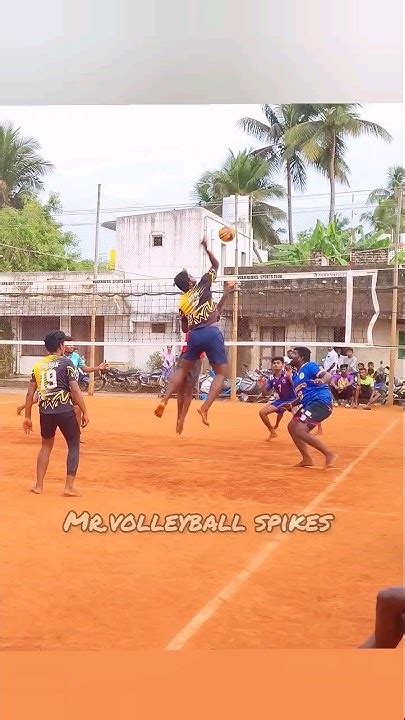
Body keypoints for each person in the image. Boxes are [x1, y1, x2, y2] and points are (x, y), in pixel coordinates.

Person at [155, 238, 228, 426]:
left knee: (182, 370)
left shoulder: (183, 303)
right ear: (189, 282)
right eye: (190, 276)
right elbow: (216, 264)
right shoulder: (203, 284)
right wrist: (206, 248)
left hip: (194, 337)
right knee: (220, 373)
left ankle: (164, 399)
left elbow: (185, 328)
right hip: (211, 333)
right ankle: (204, 408)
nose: (193, 276)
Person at [23, 330, 89, 496]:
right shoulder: (66, 363)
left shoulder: (37, 366)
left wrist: (27, 417)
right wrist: (84, 411)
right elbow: (75, 390)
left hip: (45, 412)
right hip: (65, 410)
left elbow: (30, 394)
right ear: (61, 345)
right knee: (73, 445)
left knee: (45, 446)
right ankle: (69, 487)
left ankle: (38, 485)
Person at [175, 283, 234, 435]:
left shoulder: (188, 304)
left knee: (184, 390)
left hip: (189, 353)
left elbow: (217, 312)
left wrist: (226, 293)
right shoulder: (191, 304)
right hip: (193, 354)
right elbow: (186, 327)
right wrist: (226, 292)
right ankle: (181, 417)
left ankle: (180, 418)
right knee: (186, 390)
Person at [288, 347, 336, 468]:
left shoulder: (310, 366)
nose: (290, 355)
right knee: (292, 427)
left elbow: (327, 376)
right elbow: (302, 396)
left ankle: (329, 454)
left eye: (294, 354)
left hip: (321, 402)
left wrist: (322, 380)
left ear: (301, 358)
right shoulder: (295, 376)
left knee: (300, 430)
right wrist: (291, 404)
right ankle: (306, 458)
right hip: (309, 403)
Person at [64, 337, 105, 442]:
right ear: (62, 345)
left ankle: (76, 436)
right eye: (69, 344)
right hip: (61, 388)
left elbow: (84, 368)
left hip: (73, 388)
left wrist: (97, 368)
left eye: (73, 344)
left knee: (78, 410)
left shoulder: (76, 357)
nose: (72, 346)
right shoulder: (57, 356)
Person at [259, 358, 296, 440]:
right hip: (282, 400)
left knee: (299, 417)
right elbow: (265, 395)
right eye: (274, 363)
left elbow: (295, 387)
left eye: (278, 363)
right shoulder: (271, 378)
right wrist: (262, 386)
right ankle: (272, 432)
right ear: (272, 366)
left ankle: (307, 433)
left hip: (293, 400)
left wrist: (290, 378)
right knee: (262, 412)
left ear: (282, 365)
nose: (275, 364)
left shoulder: (287, 374)